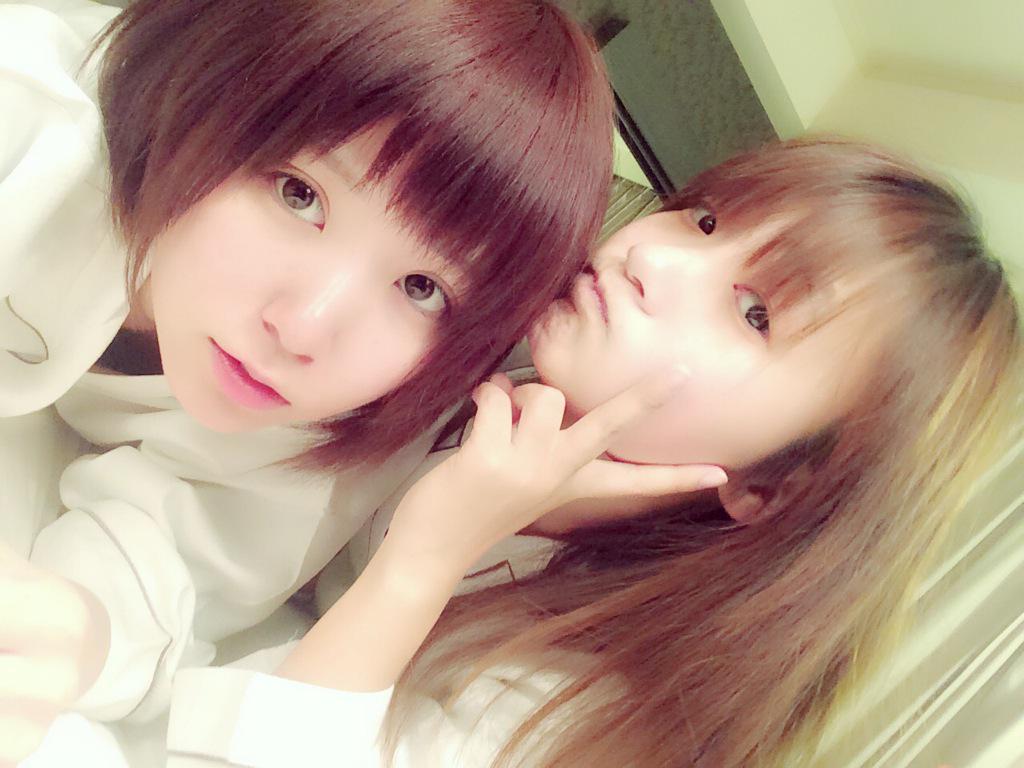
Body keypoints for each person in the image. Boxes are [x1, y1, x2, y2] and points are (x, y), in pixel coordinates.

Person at [162, 139, 1021, 768]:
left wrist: (426, 558)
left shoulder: (611, 704)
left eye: (754, 313)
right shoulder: (502, 349)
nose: (651, 254)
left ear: (777, 484)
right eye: (704, 219)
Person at [0, 0, 662, 762]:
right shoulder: (30, 119)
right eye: (299, 195)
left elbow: (172, 562)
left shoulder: (337, 424)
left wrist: (84, 629)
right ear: (210, 82)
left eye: (422, 289)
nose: (306, 328)